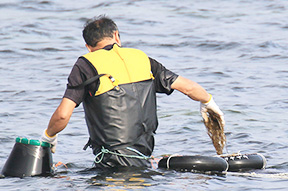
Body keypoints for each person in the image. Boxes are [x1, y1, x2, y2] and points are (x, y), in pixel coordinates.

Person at [41, 16, 224, 168]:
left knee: (62, 171)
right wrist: (208, 103)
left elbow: (63, 116)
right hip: (143, 163)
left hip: (110, 166)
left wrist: (48, 137)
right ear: (116, 36)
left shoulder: (86, 64)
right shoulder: (142, 59)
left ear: (88, 47)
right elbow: (189, 88)